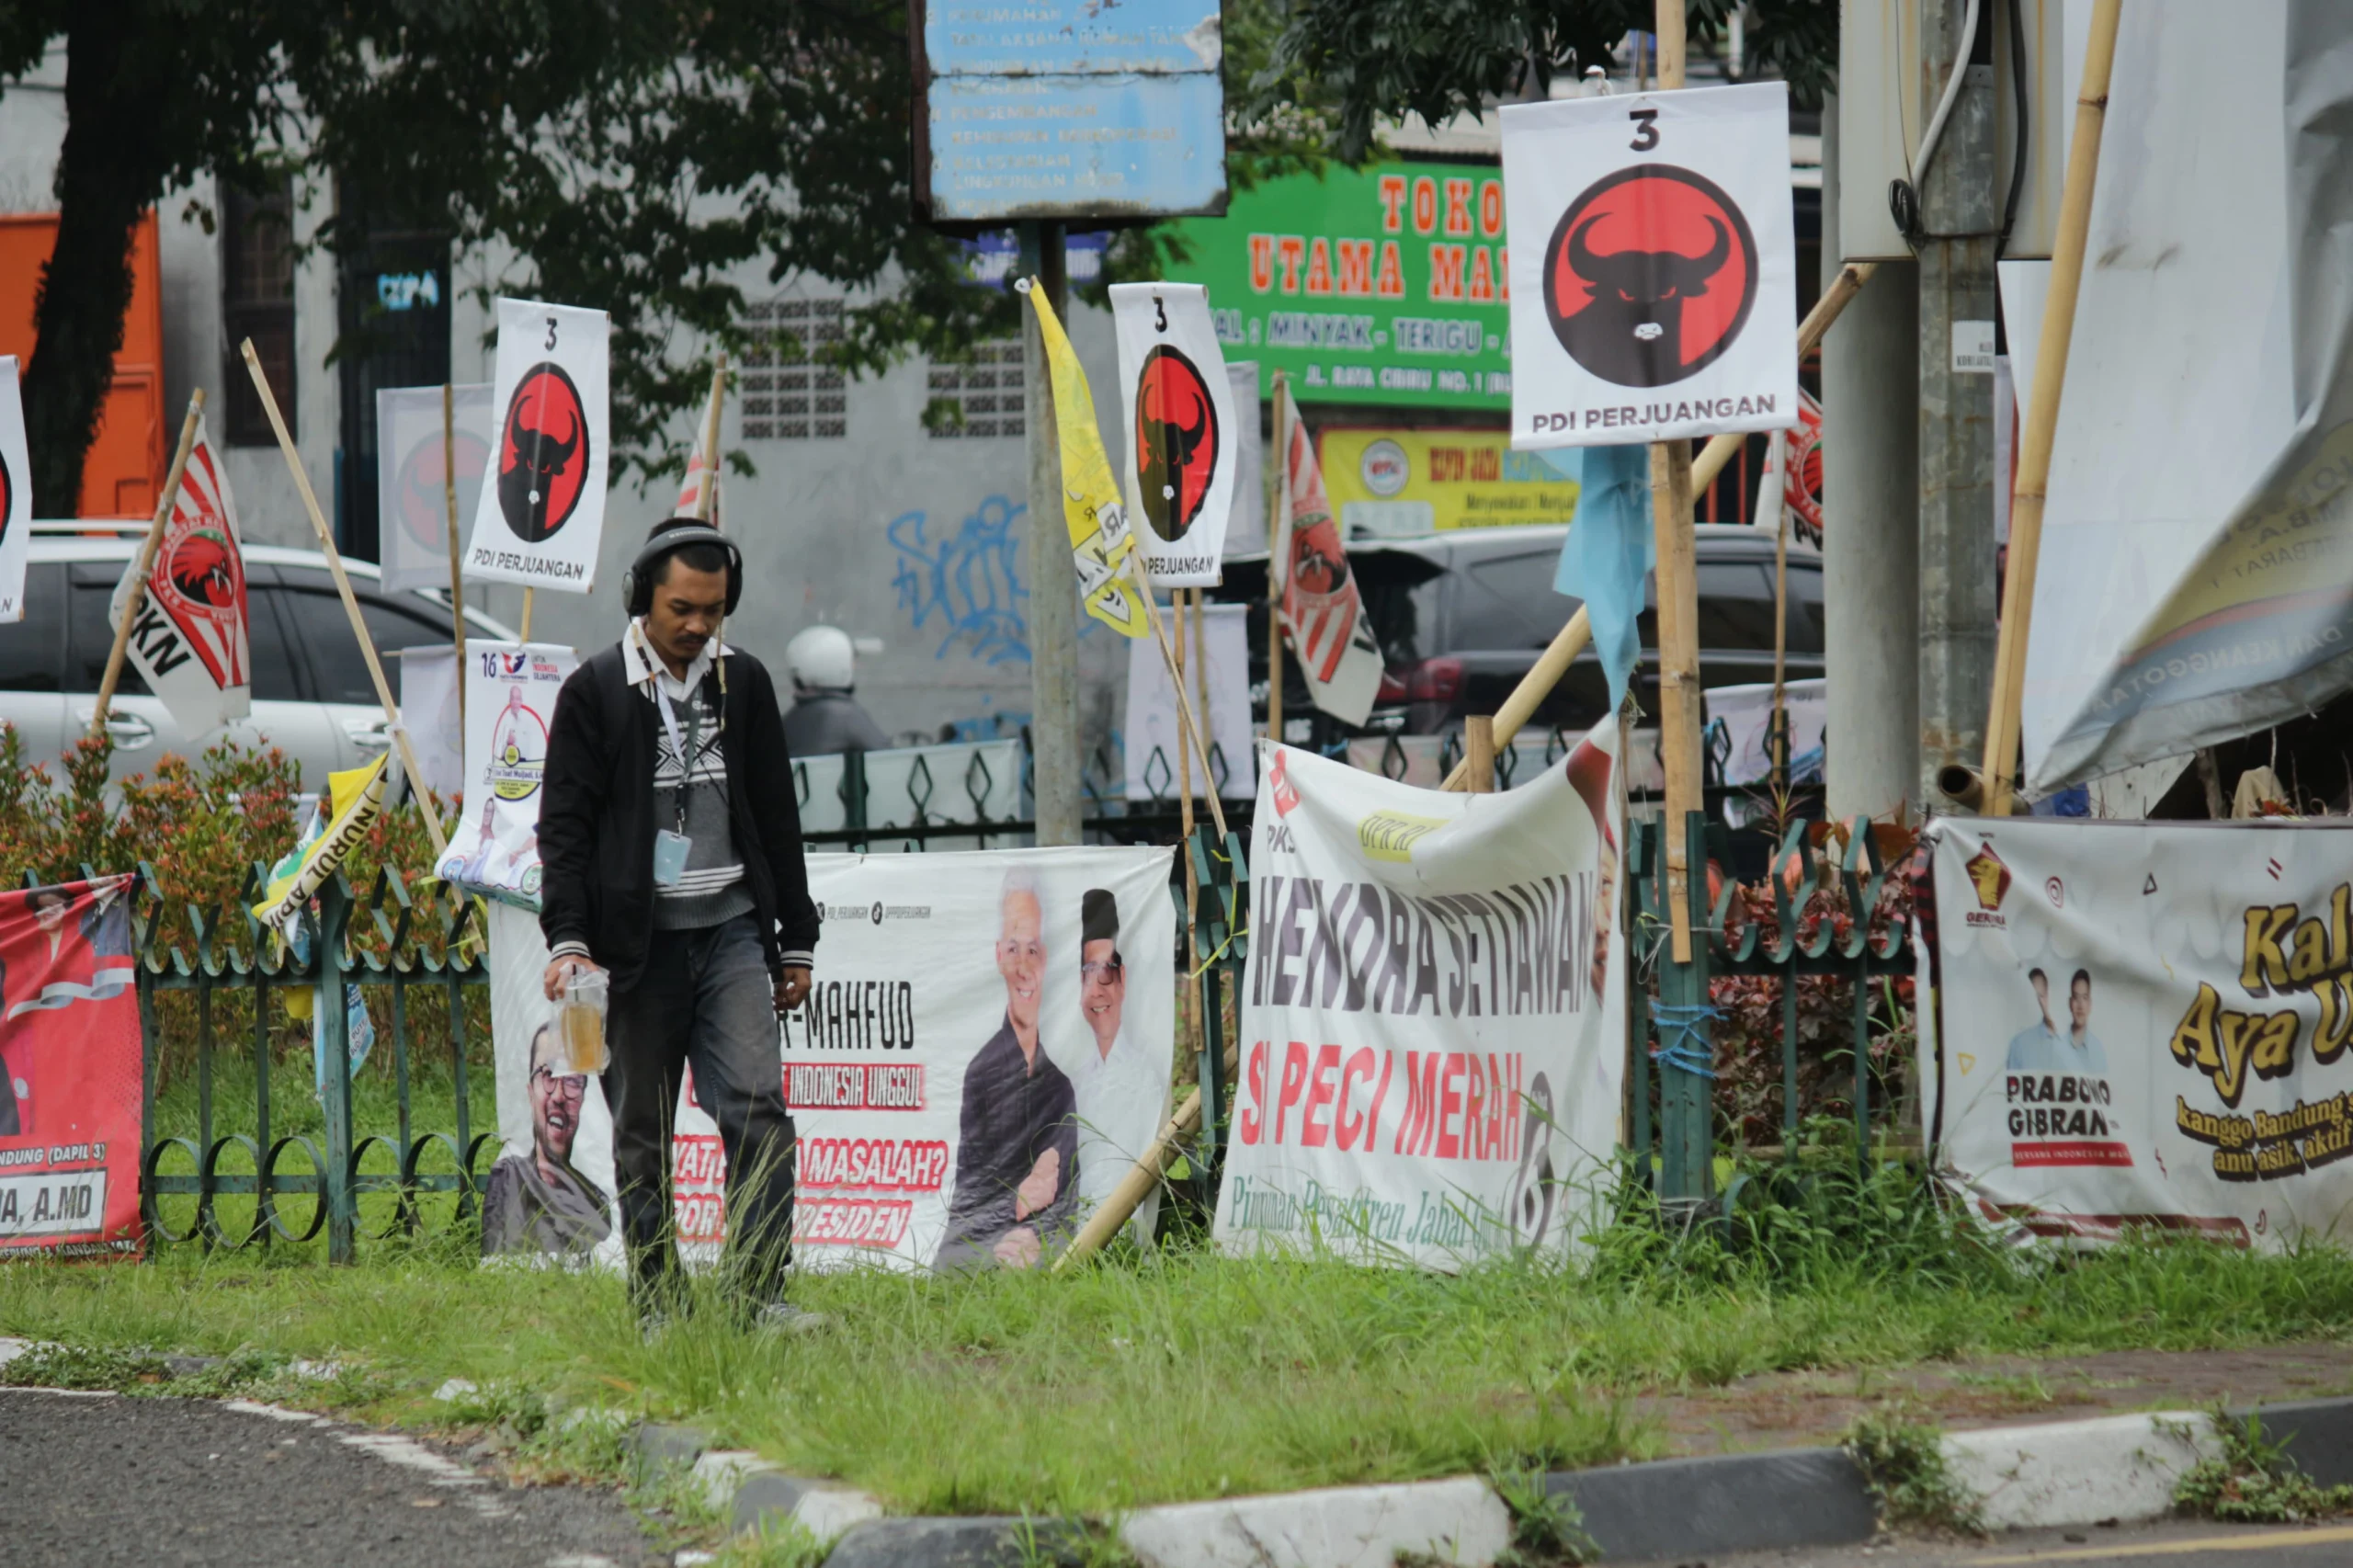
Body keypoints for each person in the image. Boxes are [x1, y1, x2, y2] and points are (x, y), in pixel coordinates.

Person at [538, 517, 821, 1333]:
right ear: (641, 601)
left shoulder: (748, 684)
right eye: (681, 610)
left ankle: (758, 1296)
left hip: (731, 931)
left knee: (759, 1110)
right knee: (642, 1132)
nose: (698, 626)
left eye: (714, 610)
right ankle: (657, 1303)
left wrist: (792, 941)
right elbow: (565, 829)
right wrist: (571, 939)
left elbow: (777, 816)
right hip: (634, 952)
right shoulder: (595, 692)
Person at [938, 870, 1079, 1270]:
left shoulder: (1062, 1084)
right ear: (998, 956)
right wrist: (1013, 1221)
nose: (1023, 966)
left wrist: (1036, 1235)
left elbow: (1071, 1196)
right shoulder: (982, 1074)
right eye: (1013, 949)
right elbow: (971, 1197)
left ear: (1046, 958)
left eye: (1032, 950)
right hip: (989, 1244)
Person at [1068, 889, 1168, 1226]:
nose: (1096, 990)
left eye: (1106, 972)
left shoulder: (1144, 1078)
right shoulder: (1073, 1079)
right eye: (1088, 973)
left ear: (1123, 980)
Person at [482, 1024, 614, 1257]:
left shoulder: (596, 1204)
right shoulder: (509, 1179)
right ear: (530, 1092)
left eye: (573, 1081)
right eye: (549, 1075)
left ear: (584, 1097)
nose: (560, 1096)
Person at [780, 625, 889, 757]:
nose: (855, 666)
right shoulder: (848, 717)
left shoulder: (788, 720)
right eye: (852, 661)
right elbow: (891, 761)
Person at [2003, 968, 2063, 1071]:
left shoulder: (2061, 1041)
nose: (2038, 1002)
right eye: (2034, 997)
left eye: (2041, 996)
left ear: (2047, 997)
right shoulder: (2018, 1044)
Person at [2063, 969, 2109, 1074]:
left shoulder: (2098, 1050)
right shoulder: (2058, 1047)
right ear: (2070, 1003)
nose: (2080, 1005)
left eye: (2084, 998)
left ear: (2090, 1004)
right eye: (2076, 998)